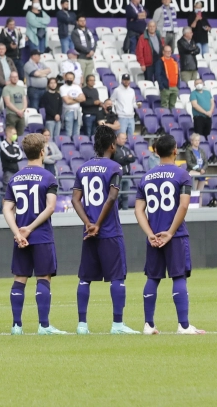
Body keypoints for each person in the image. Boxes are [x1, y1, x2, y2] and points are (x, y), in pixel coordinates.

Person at [71, 125, 137, 335]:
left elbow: (75, 199)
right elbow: (112, 196)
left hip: (89, 233)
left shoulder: (83, 168)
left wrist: (88, 224)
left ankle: (82, 325)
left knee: (85, 278)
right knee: (117, 277)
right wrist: (98, 224)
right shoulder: (115, 167)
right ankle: (117, 324)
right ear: (112, 144)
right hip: (109, 231)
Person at [134, 134, 203, 334]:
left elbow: (138, 210)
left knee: (152, 278)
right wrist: (171, 232)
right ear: (175, 150)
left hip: (154, 236)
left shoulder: (146, 177)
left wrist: (150, 234)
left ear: (155, 151)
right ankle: (183, 325)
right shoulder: (182, 175)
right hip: (175, 235)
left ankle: (148, 324)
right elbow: (183, 205)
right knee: (179, 276)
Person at [1, 132, 64, 335]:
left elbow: (7, 209)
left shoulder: (15, 178)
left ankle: (16, 326)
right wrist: (30, 228)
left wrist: (18, 232)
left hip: (20, 239)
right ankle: (44, 325)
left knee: (20, 279)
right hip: (41, 235)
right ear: (42, 151)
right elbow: (50, 207)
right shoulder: (48, 176)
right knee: (43, 278)